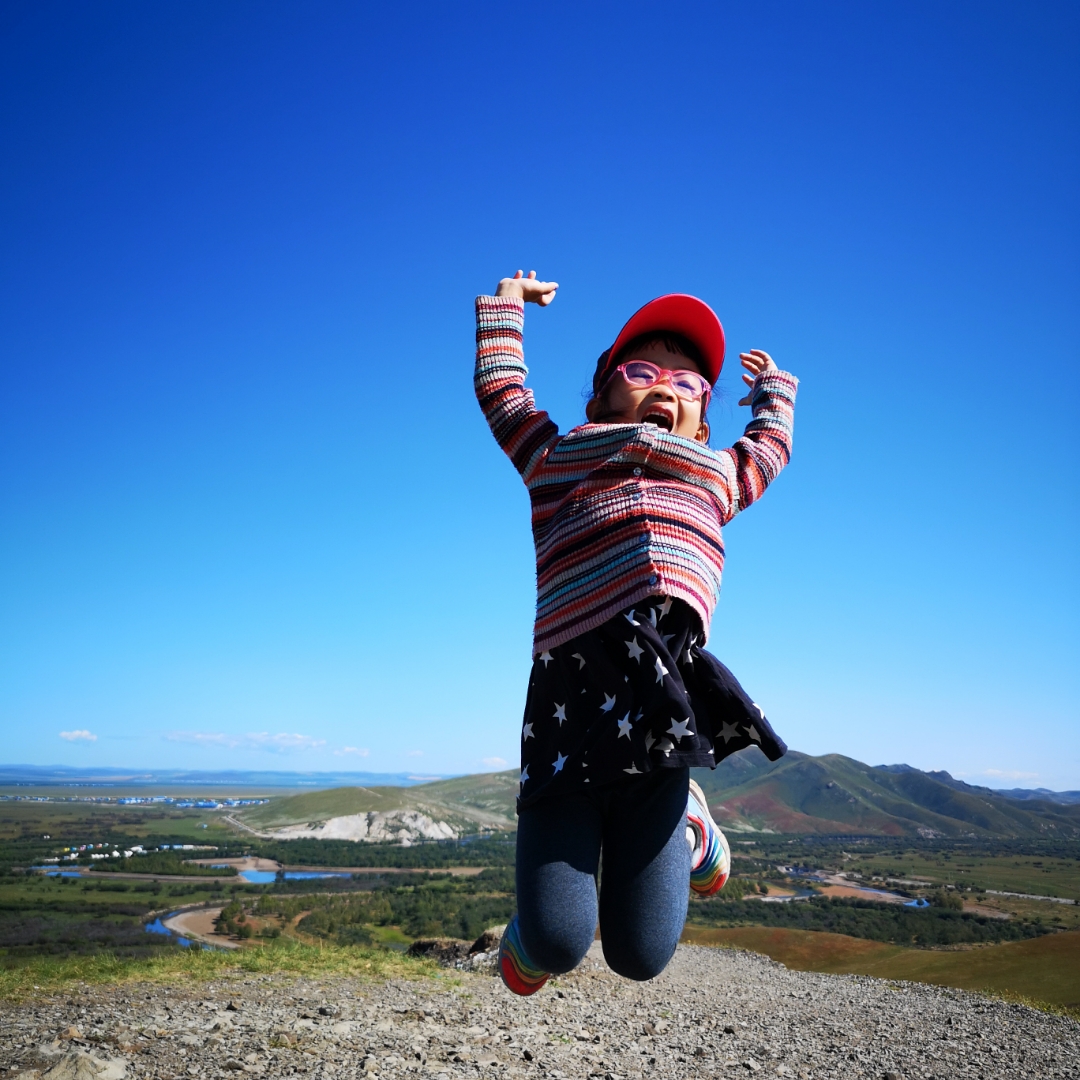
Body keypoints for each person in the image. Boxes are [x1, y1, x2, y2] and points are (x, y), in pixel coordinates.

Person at [475, 270, 798, 994]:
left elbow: (767, 453)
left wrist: (776, 393)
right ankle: (535, 936)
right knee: (556, 945)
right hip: (567, 725)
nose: (668, 386)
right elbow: (504, 398)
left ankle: (690, 820)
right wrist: (506, 308)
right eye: (643, 371)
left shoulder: (713, 476)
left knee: (640, 957)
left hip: (660, 727)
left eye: (691, 384)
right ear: (601, 398)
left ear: (705, 423)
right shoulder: (558, 464)